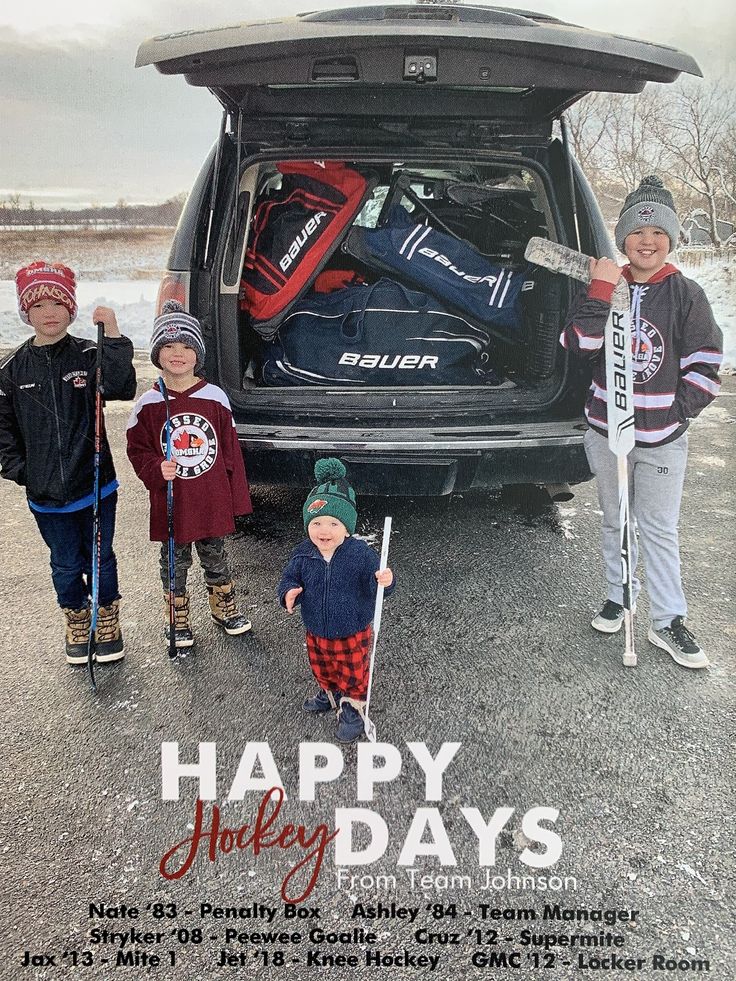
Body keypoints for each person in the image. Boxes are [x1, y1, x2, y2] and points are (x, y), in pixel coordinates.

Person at [561, 176, 723, 668]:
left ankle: (667, 621)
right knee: (615, 520)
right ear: (624, 238)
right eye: (636, 232)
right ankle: (619, 596)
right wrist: (602, 287)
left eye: (656, 232)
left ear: (670, 239)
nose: (646, 241)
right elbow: (579, 344)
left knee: (658, 527)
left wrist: (675, 415)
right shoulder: (607, 287)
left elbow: (706, 364)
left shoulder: (686, 294)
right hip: (607, 433)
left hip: (661, 440)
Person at [0, 261, 136, 665]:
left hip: (95, 486)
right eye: (38, 305)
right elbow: (3, 433)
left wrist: (112, 336)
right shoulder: (10, 372)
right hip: (45, 497)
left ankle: (106, 615)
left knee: (100, 558)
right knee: (64, 562)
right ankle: (77, 617)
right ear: (26, 312)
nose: (49, 312)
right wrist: (23, 472)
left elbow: (120, 386)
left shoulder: (89, 353)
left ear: (71, 308)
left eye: (57, 302)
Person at [126, 300, 252, 649]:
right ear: (156, 353)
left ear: (198, 354)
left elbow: (230, 452)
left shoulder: (214, 398)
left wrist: (235, 500)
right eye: (168, 346)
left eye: (186, 346)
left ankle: (223, 605)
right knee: (174, 559)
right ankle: (176, 613)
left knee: (216, 555)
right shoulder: (148, 404)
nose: (177, 353)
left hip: (209, 498)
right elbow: (137, 450)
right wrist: (155, 468)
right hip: (172, 502)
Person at [277, 458, 395, 743]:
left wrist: (385, 581)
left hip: (352, 630)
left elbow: (377, 586)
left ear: (347, 527)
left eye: (333, 522)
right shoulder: (303, 553)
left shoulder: (361, 555)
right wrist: (289, 592)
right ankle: (329, 693)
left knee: (353, 672)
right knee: (322, 666)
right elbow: (289, 578)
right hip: (316, 629)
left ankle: (352, 706)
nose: (323, 530)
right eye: (316, 522)